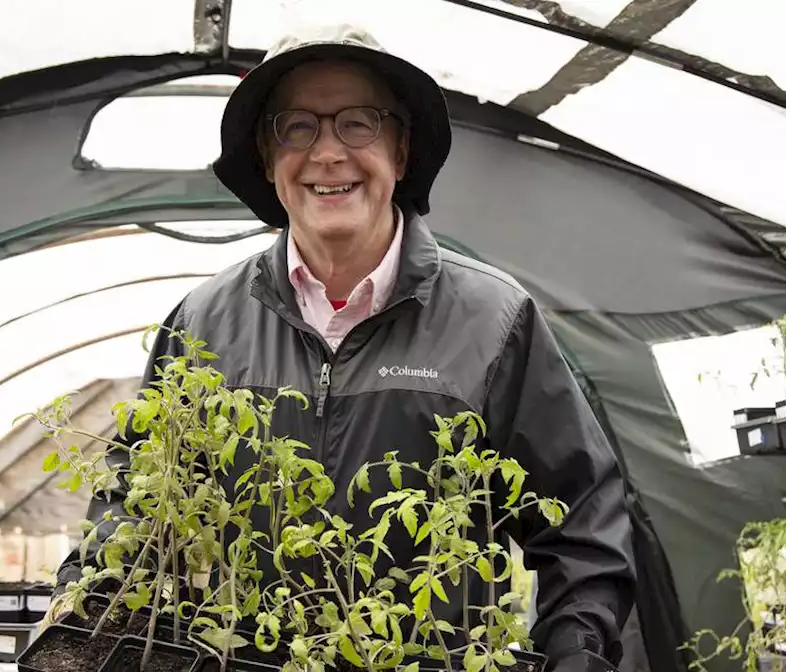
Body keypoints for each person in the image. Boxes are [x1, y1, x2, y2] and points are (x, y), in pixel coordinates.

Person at [57, 23, 638, 672]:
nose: (328, 153)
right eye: (297, 127)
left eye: (358, 123)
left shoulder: (494, 322)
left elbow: (582, 521)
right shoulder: (203, 325)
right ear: (268, 158)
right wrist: (84, 629)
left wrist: (576, 656)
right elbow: (131, 517)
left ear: (400, 148)